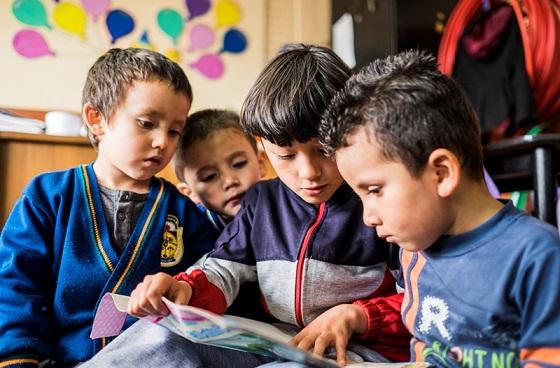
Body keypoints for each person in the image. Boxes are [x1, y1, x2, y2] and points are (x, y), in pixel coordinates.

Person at [82, 44, 410, 368]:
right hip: (276, 339)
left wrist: (358, 316)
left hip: (353, 350)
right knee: (159, 336)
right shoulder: (261, 202)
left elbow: (425, 299)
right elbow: (224, 268)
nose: (308, 172)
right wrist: (183, 287)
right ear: (262, 146)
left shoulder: (378, 201)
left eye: (325, 149)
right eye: (286, 155)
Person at [319, 50, 560, 366]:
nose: (368, 217)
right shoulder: (414, 251)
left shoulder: (538, 257)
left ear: (442, 173)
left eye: (375, 190)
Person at [0, 48, 219, 367]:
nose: (162, 141)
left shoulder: (183, 212)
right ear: (97, 119)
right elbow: (16, 286)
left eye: (174, 131)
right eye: (147, 123)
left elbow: (208, 278)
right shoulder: (47, 196)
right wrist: (19, 359)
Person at [173, 109, 265, 232]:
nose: (230, 181)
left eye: (239, 164)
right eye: (209, 176)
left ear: (260, 164)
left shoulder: (288, 206)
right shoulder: (192, 237)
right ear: (190, 193)